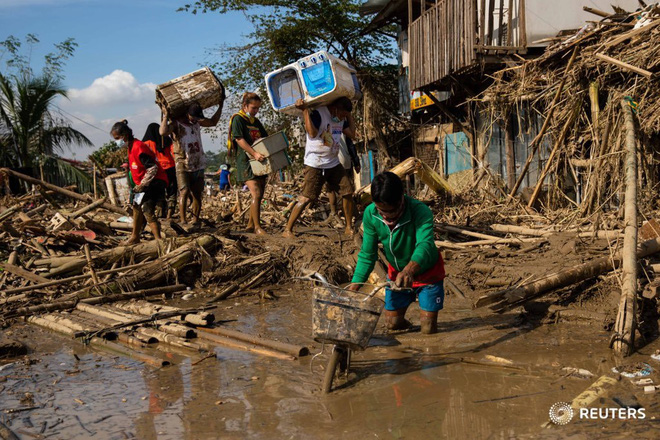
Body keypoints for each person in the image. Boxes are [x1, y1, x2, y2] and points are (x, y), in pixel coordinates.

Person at [347, 172, 445, 334]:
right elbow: (368, 254)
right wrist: (354, 287)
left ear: (402, 198)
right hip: (397, 274)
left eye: (392, 211)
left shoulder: (420, 211)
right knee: (392, 324)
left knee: (428, 329)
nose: (387, 216)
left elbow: (425, 244)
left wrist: (409, 269)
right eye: (381, 211)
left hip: (427, 272)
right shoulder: (371, 214)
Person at [282, 96, 356, 238]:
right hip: (315, 163)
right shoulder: (319, 113)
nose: (342, 118)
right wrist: (305, 111)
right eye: (342, 114)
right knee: (307, 197)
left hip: (333, 162)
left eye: (345, 116)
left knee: (347, 192)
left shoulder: (341, 118)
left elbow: (352, 134)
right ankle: (287, 229)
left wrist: (349, 115)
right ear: (335, 108)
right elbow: (312, 133)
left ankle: (348, 227)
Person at [160, 98, 223, 225]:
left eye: (197, 118)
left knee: (197, 194)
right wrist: (165, 116)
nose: (195, 119)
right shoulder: (177, 124)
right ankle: (183, 220)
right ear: (187, 114)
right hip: (182, 163)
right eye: (193, 117)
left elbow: (213, 122)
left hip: (198, 162)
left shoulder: (197, 123)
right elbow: (163, 131)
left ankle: (195, 219)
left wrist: (220, 106)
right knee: (184, 191)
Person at [111, 120, 168, 244]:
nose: (117, 141)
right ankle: (135, 236)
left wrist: (142, 184)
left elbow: (152, 168)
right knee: (136, 207)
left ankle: (159, 240)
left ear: (124, 135)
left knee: (147, 210)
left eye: (117, 138)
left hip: (154, 181)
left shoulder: (138, 147)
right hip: (143, 184)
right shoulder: (131, 147)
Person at [228, 92, 268, 235]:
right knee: (256, 193)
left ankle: (251, 225)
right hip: (245, 161)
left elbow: (264, 137)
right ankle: (257, 227)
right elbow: (239, 140)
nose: (256, 111)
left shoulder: (256, 122)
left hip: (260, 161)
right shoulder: (238, 119)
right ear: (245, 106)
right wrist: (254, 153)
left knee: (260, 194)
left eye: (258, 108)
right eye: (253, 108)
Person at [323, 125, 361, 227]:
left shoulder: (326, 126)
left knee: (331, 189)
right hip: (346, 161)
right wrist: (356, 162)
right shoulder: (343, 125)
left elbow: (326, 146)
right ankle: (353, 215)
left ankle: (335, 213)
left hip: (333, 162)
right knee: (346, 190)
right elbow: (351, 146)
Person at [142, 122, 177, 219]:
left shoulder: (145, 143)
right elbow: (174, 152)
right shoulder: (167, 140)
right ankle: (170, 212)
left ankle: (159, 214)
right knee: (172, 192)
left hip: (157, 171)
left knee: (159, 193)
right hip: (170, 168)